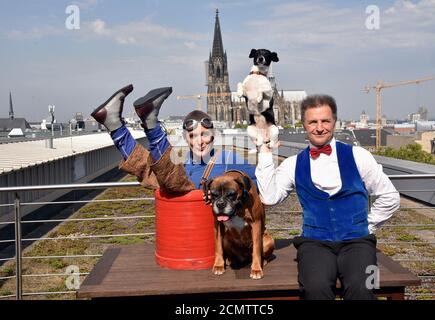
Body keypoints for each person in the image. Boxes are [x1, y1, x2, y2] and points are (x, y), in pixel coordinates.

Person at [255, 94, 400, 300]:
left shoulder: (359, 156)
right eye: (313, 122)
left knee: (365, 287)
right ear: (304, 125)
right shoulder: (293, 164)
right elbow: (269, 198)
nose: (320, 127)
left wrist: (368, 225)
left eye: (325, 121)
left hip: (359, 241)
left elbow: (390, 196)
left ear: (334, 122)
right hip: (314, 243)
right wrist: (265, 153)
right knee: (315, 289)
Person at [90, 84, 256, 194]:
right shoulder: (184, 160)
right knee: (151, 170)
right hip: (188, 223)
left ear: (213, 135)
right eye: (193, 136)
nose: (200, 141)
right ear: (186, 138)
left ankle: (147, 123)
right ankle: (115, 126)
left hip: (212, 229)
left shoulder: (229, 159)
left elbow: (258, 186)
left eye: (205, 134)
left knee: (172, 177)